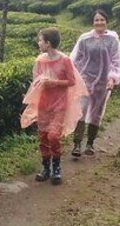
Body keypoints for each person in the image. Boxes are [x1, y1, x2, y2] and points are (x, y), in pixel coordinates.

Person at [21, 27, 86, 185]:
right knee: (43, 137)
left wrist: (54, 83)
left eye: (41, 40)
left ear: (48, 43)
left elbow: (71, 81)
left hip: (59, 103)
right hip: (44, 103)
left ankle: (57, 168)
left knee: (54, 136)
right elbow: (36, 79)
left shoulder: (65, 60)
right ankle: (46, 169)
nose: (39, 43)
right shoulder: (40, 60)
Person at [69, 9, 120, 157]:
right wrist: (74, 74)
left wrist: (112, 78)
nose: (99, 22)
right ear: (92, 22)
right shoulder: (85, 38)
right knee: (81, 110)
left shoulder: (113, 39)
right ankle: (77, 144)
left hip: (103, 82)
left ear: (107, 22)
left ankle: (90, 144)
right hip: (85, 79)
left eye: (102, 20)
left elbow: (117, 60)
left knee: (97, 112)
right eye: (96, 20)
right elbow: (76, 57)